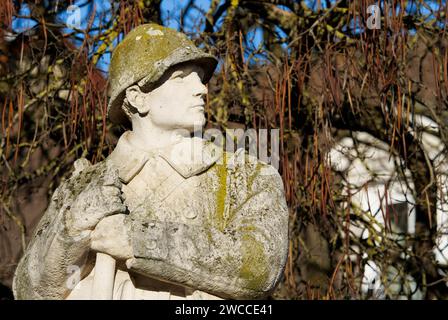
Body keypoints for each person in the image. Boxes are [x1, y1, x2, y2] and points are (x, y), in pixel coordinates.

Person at [13, 24, 289, 300]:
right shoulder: (82, 188)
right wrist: (72, 231)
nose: (201, 89)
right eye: (182, 78)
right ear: (137, 99)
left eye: (200, 78)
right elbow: (29, 291)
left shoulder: (245, 176)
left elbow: (259, 268)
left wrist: (138, 241)